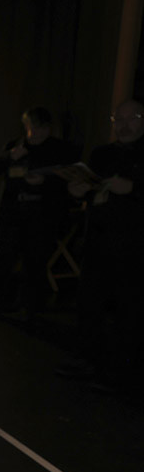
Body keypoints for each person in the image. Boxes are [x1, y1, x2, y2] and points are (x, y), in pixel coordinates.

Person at [60, 99, 144, 394]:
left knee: (128, 310)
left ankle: (122, 371)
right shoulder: (102, 153)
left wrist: (133, 188)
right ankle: (88, 360)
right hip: (98, 240)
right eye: (118, 119)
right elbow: (88, 186)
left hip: (134, 247)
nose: (124, 125)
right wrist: (76, 190)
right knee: (90, 303)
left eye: (131, 118)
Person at [0, 106, 78, 317]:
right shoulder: (15, 147)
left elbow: (70, 179)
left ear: (48, 128)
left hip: (41, 214)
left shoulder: (60, 150)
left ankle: (33, 310)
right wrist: (9, 157)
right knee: (3, 259)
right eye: (31, 127)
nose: (35, 132)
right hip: (13, 211)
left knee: (35, 262)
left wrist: (45, 181)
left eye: (41, 128)